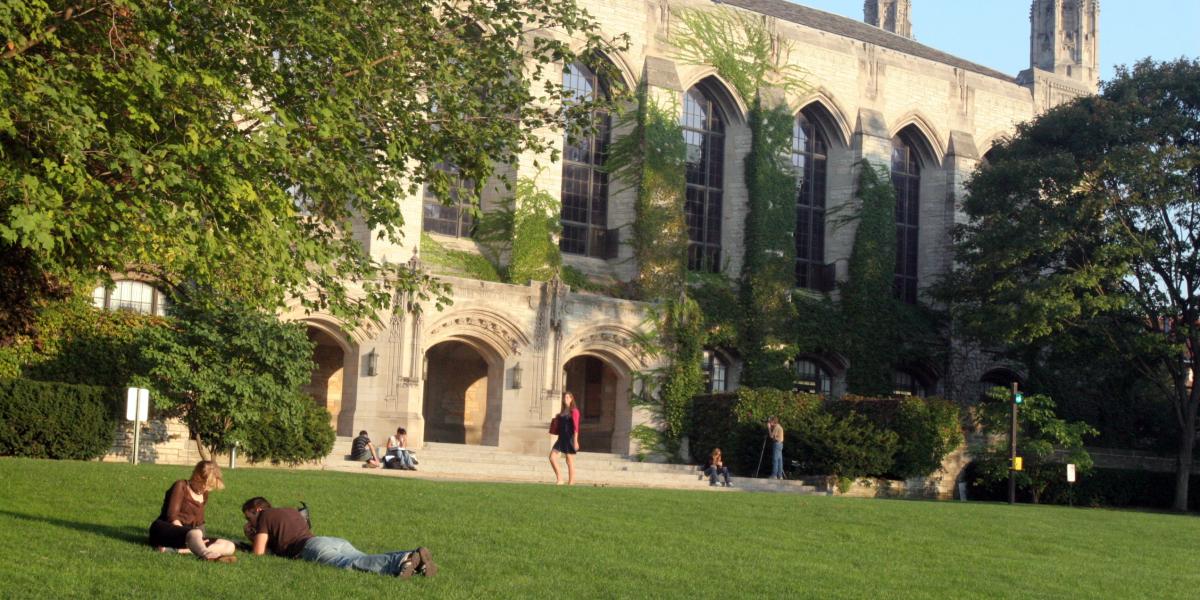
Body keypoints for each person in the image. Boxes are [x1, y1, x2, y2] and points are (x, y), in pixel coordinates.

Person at [241, 497, 436, 578]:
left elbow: (259, 554)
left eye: (249, 517)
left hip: (310, 548)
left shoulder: (265, 516)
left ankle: (404, 559)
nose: (250, 523)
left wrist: (251, 537)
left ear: (258, 509)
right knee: (363, 558)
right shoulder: (290, 511)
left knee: (352, 564)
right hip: (330, 541)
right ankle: (416, 561)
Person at [148, 460, 237, 562]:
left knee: (229, 546)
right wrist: (189, 535)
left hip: (191, 536)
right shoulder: (181, 486)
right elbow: (172, 517)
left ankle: (180, 550)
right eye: (205, 484)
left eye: (210, 486)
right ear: (197, 476)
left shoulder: (204, 494)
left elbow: (199, 523)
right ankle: (207, 554)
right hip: (166, 530)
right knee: (194, 533)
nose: (206, 488)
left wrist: (200, 538)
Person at [548, 391, 580, 485]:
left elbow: (576, 427)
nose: (565, 399)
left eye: (567, 397)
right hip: (561, 438)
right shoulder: (562, 411)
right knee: (552, 457)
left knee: (569, 460)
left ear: (571, 399)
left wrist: (575, 441)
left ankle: (571, 482)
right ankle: (560, 478)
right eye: (564, 397)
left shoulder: (574, 411)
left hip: (570, 438)